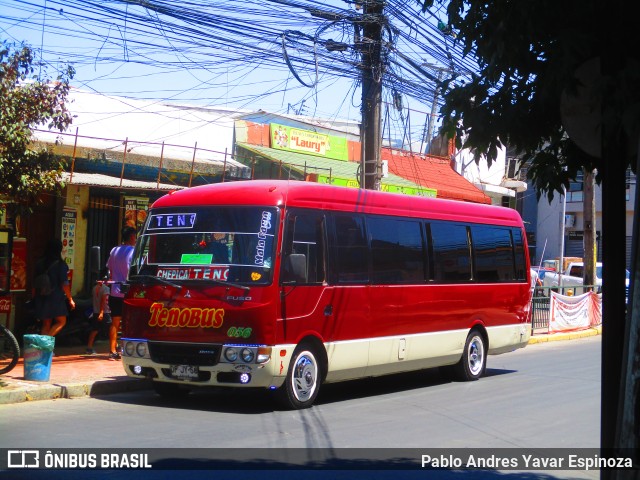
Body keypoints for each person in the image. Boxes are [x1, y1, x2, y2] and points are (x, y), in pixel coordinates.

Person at [34, 238, 76, 337]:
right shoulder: (61, 265)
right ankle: (46, 343)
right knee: (61, 321)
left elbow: (34, 282)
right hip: (55, 297)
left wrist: (34, 297)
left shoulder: (39, 263)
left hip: (42, 296)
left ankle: (44, 349)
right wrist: (70, 299)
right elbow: (64, 284)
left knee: (46, 323)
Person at [106, 226, 136, 360]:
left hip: (114, 291)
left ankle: (112, 350)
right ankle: (126, 349)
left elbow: (110, 270)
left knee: (115, 322)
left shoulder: (114, 250)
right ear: (131, 237)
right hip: (128, 292)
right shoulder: (133, 252)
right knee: (128, 323)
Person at [85, 268, 111, 355]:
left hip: (96, 311)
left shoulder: (94, 288)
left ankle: (89, 348)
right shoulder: (106, 289)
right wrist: (102, 312)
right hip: (104, 312)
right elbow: (103, 301)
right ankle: (114, 347)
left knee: (94, 330)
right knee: (111, 328)